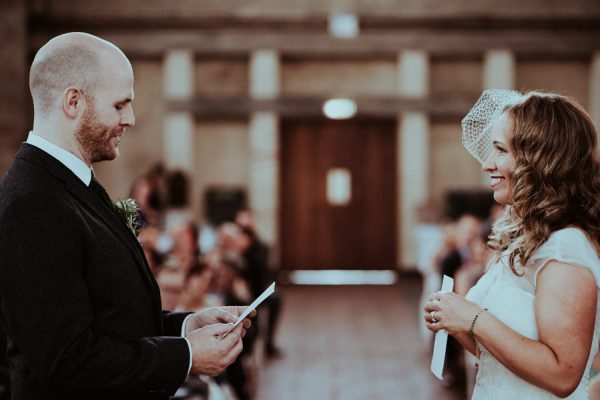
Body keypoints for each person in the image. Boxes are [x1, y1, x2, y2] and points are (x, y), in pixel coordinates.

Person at [0, 32, 253, 400]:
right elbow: (66, 359)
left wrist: (185, 326)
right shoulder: (33, 203)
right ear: (74, 102)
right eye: (120, 105)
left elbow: (111, 318)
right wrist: (186, 356)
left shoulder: (72, 183)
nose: (131, 119)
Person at [424, 89, 600, 399]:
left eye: (500, 150)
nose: (487, 164)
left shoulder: (565, 248)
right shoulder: (526, 237)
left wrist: (473, 318)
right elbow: (497, 356)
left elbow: (563, 376)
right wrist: (454, 320)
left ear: (540, 159)